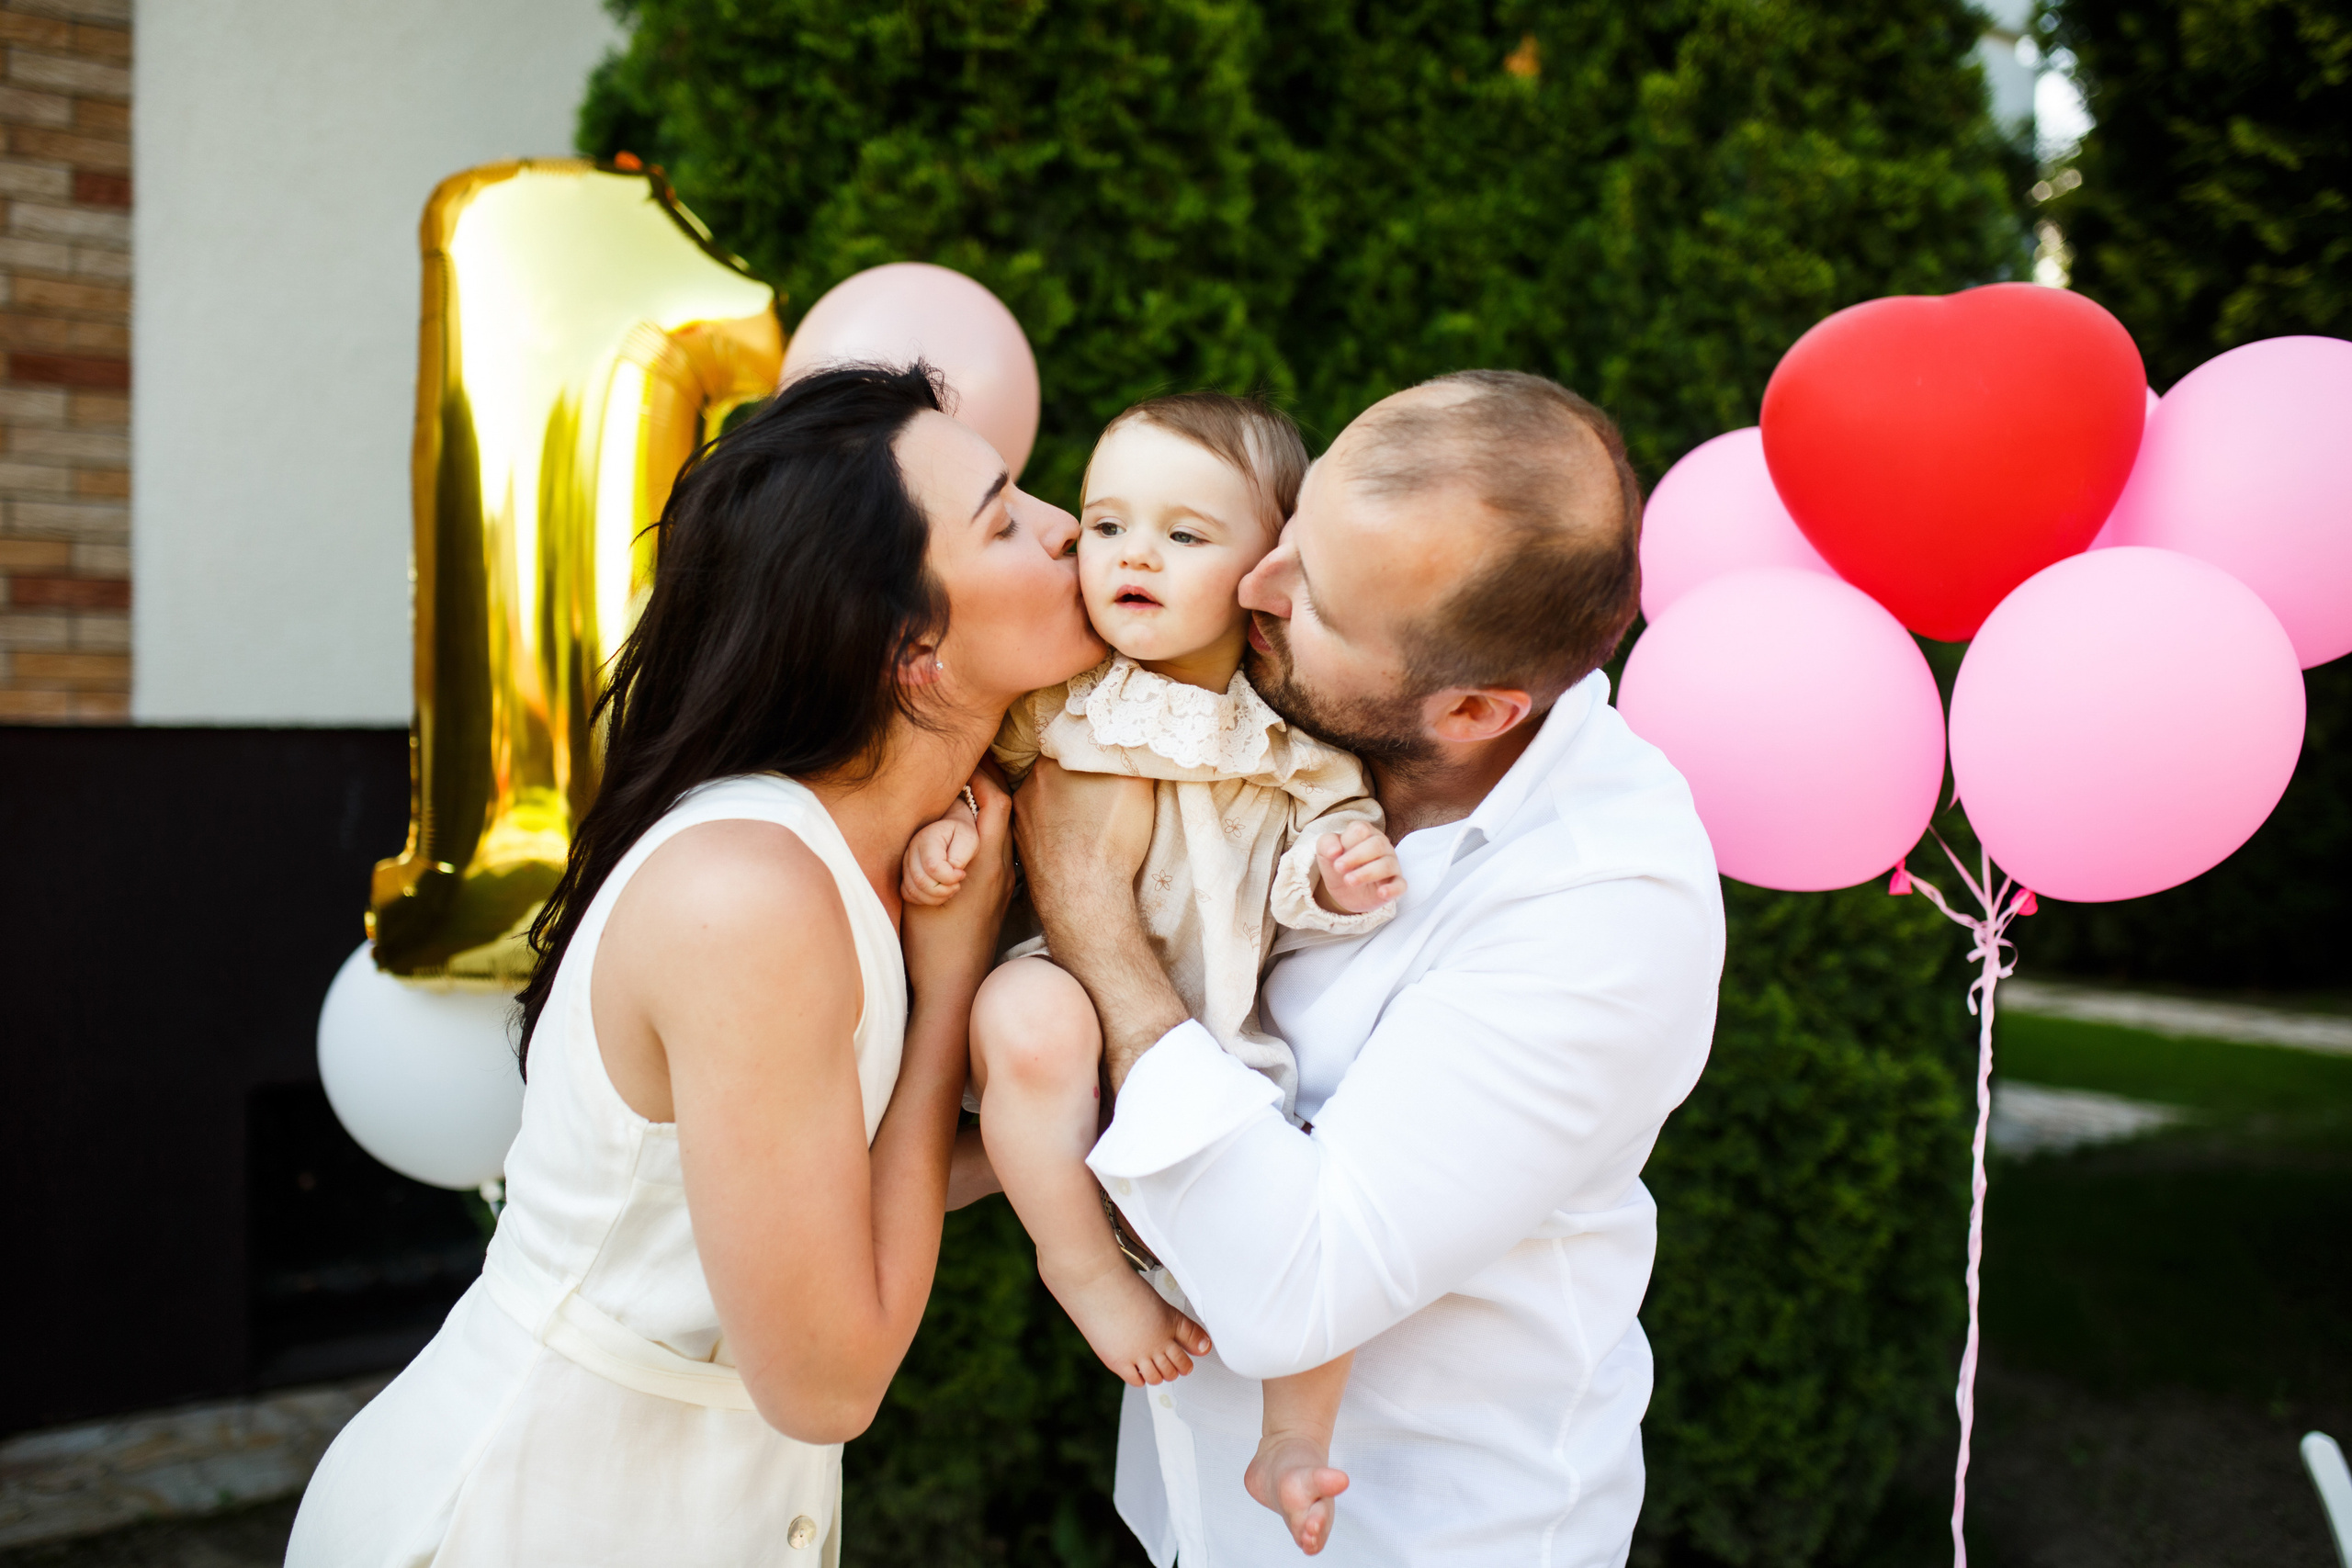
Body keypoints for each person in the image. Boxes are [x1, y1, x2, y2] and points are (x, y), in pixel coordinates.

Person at [287, 364, 1104, 1566]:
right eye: (1003, 517)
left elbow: (824, 1195)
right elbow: (828, 1381)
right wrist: (944, 993)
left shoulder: (881, 852)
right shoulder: (749, 897)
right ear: (907, 646)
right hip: (516, 1515)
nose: (1066, 526)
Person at [1011, 370, 1728, 1565]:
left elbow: (1300, 1282)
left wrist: (1088, 914)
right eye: (1292, 531)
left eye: (1318, 602)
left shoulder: (1600, 910)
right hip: (1192, 1509)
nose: (1256, 582)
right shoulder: (1284, 725)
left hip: (1416, 1535)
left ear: (1473, 711)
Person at [901, 392, 1404, 1554]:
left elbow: (1300, 887)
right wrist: (951, 836)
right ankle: (1084, 1272)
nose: (1134, 555)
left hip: (1213, 1037)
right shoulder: (1057, 699)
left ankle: (1292, 1437)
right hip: (1074, 1003)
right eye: (1106, 523)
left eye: (1185, 536)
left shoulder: (1291, 743)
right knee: (1025, 1014)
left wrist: (1334, 883)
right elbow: (976, 785)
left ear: (1268, 568)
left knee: (1306, 1197)